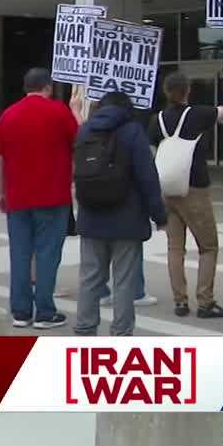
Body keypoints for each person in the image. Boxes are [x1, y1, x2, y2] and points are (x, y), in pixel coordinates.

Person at [73, 92, 167, 336]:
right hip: (127, 218)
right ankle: (121, 334)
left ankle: (84, 329)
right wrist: (159, 215)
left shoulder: (84, 131)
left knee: (90, 278)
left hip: (91, 215)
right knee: (124, 282)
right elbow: (148, 177)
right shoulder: (133, 132)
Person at [148, 67, 223, 319]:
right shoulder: (197, 114)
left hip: (167, 188)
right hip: (194, 187)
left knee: (175, 247)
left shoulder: (158, 119)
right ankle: (205, 302)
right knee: (208, 246)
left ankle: (180, 301)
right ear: (187, 90)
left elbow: (152, 151)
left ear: (166, 92)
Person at [0, 68, 78, 329]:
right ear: (48, 87)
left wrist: (1, 192)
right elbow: (80, 143)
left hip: (18, 197)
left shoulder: (8, 115)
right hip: (53, 195)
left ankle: (20, 311)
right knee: (47, 254)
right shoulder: (60, 112)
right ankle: (44, 311)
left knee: (20, 254)